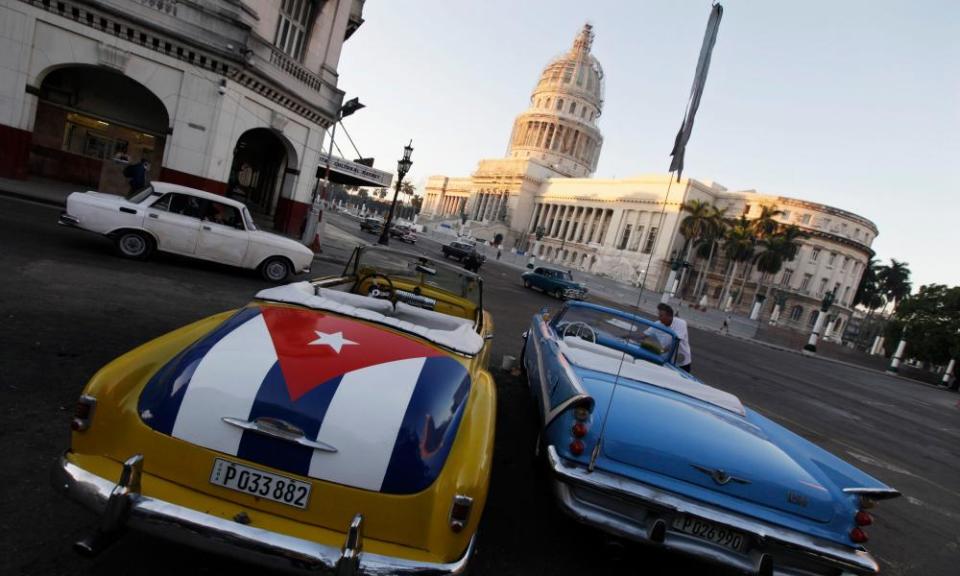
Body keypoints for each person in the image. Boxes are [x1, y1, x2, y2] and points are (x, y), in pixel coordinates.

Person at [645, 303, 692, 373]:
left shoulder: (681, 323)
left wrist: (659, 351)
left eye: (661, 316)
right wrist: (628, 336)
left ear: (669, 316)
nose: (659, 317)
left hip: (681, 362)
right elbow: (644, 335)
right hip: (665, 360)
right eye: (659, 315)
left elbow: (675, 342)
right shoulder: (658, 324)